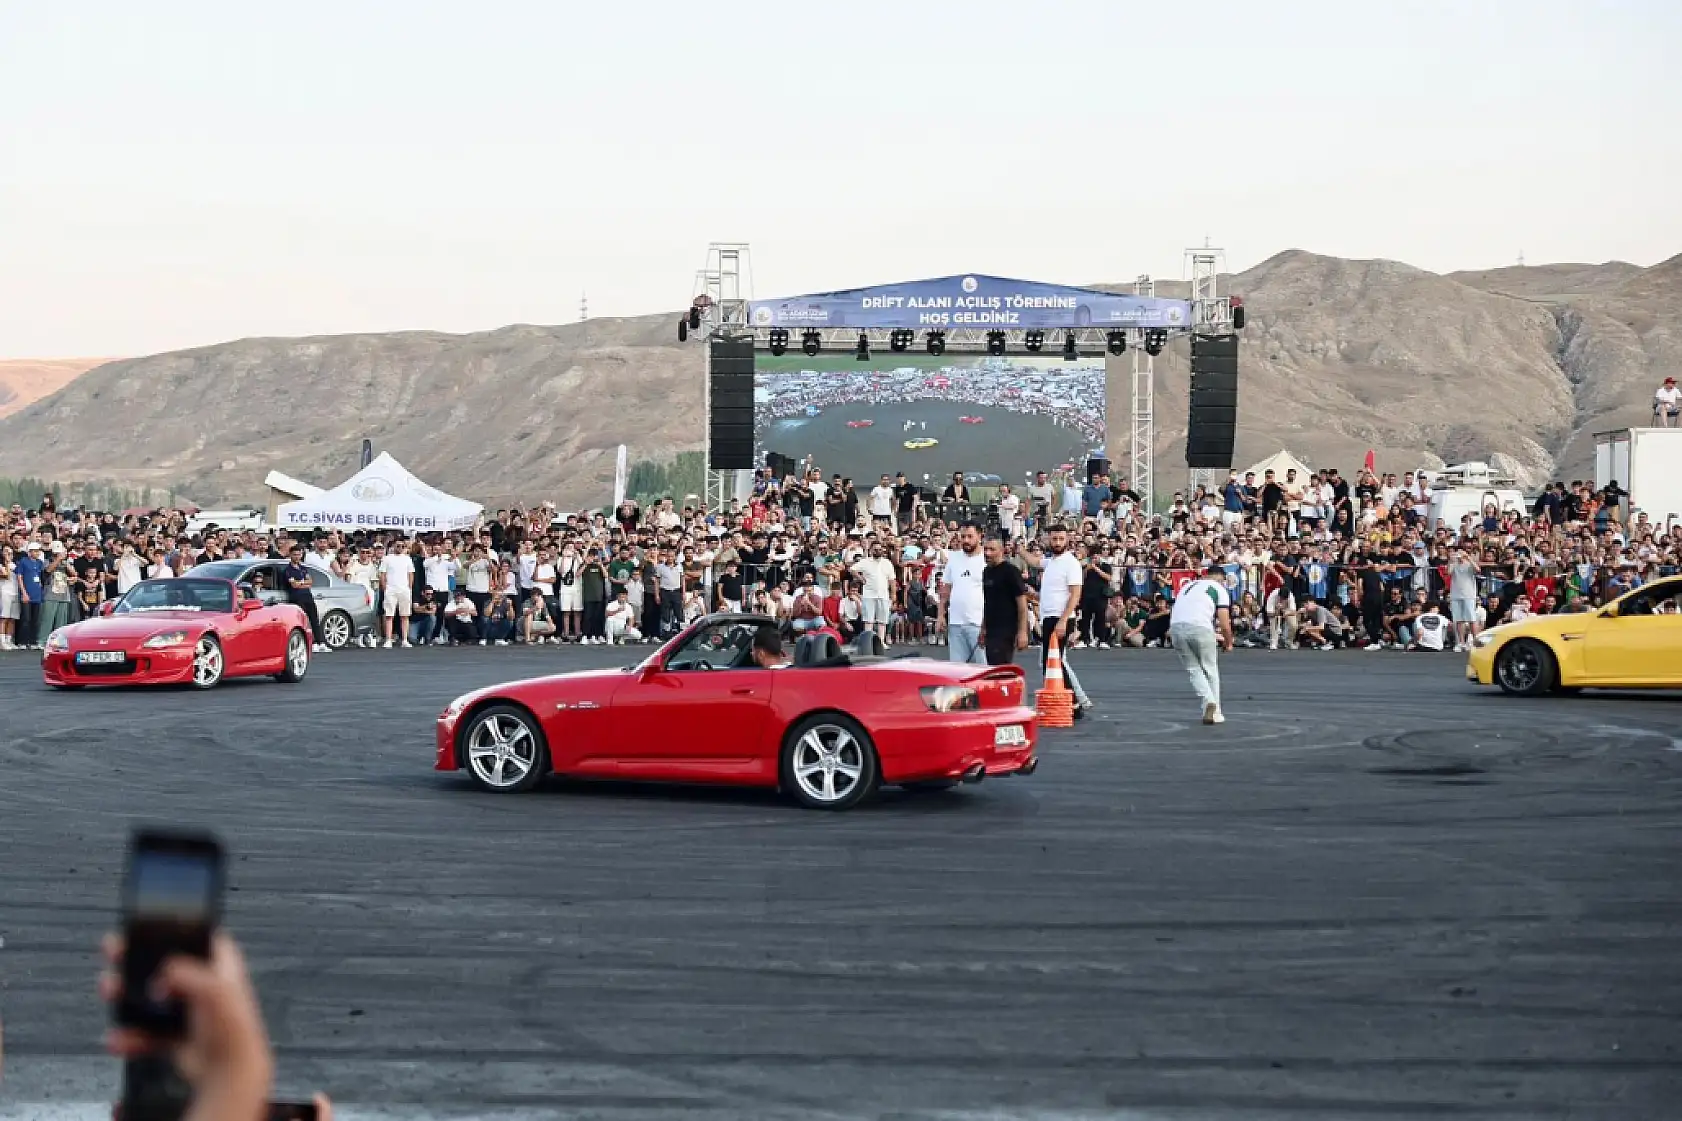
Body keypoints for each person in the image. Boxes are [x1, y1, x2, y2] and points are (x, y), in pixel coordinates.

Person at [1036, 525, 1091, 716]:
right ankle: (1073, 701)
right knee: (1053, 662)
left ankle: (1073, 703)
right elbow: (1035, 562)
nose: (1057, 542)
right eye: (1054, 539)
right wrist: (1019, 550)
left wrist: (1064, 619)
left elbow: (1075, 594)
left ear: (1067, 540)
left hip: (1060, 618)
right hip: (1048, 617)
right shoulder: (1050, 562)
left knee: (1052, 663)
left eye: (1061, 538)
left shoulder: (1071, 563)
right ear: (1048, 540)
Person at [1168, 561, 1233, 725]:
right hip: (1200, 627)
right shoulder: (1218, 589)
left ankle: (1207, 701)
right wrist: (1228, 642)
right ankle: (1216, 711)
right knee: (1210, 668)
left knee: (1193, 668)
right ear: (1221, 578)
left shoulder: (1188, 586)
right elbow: (1224, 622)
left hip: (1176, 627)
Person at [938, 521, 986, 663]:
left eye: (970, 536)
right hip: (956, 624)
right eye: (963, 536)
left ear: (979, 536)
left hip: (978, 623)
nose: (965, 540)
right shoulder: (954, 558)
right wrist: (941, 615)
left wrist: (987, 624)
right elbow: (946, 589)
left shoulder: (986, 560)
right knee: (957, 670)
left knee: (983, 668)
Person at [978, 533, 1029, 666]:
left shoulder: (1011, 572)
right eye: (985, 549)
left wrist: (1022, 631)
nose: (987, 553)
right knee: (992, 667)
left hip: (1006, 629)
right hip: (991, 628)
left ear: (1001, 551)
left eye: (992, 550)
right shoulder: (986, 572)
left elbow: (1022, 604)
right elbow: (987, 602)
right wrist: (983, 628)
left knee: (1000, 668)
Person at [281, 545, 329, 652]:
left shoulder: (303, 568)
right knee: (302, 622)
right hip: (296, 598)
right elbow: (294, 585)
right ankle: (308, 643)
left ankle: (320, 642)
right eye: (295, 555)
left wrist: (301, 582)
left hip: (308, 597)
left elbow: (310, 582)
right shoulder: (288, 570)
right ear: (290, 555)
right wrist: (303, 583)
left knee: (314, 620)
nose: (297, 557)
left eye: (299, 554)